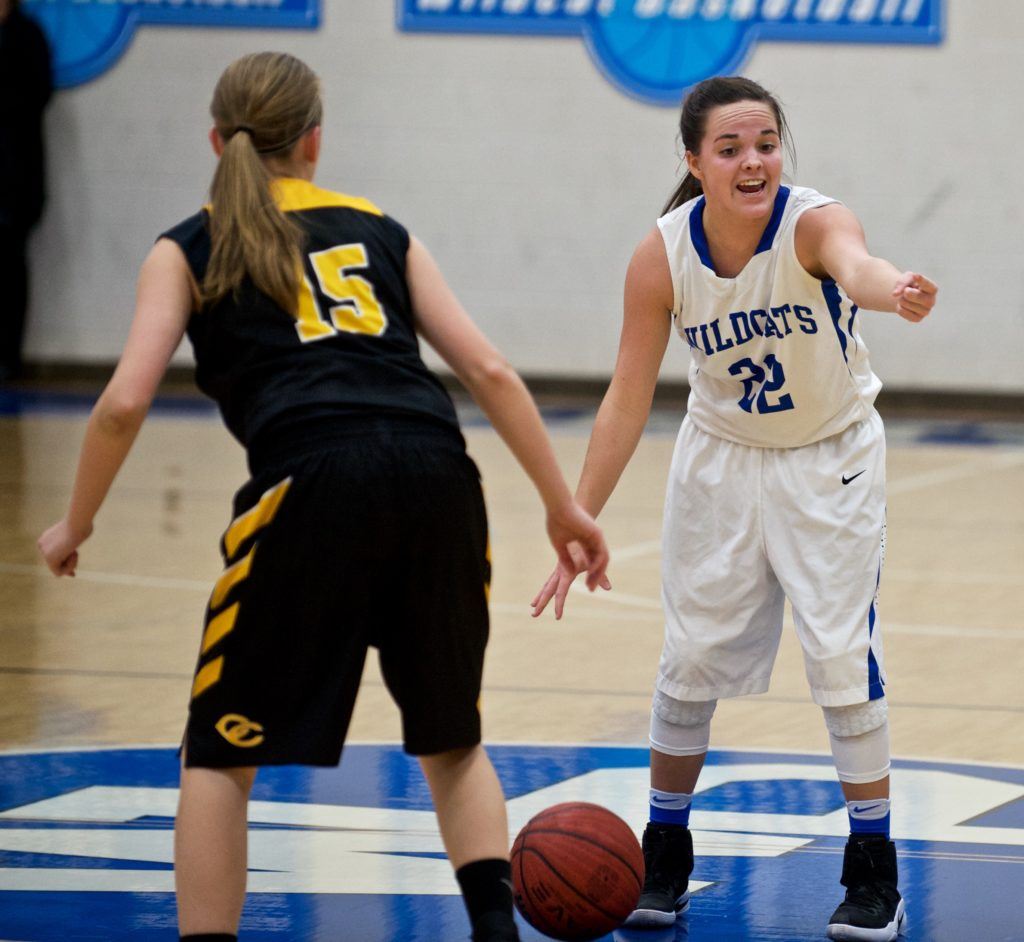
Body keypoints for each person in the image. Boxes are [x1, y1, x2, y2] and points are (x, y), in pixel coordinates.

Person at [37, 51, 610, 942]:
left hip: (310, 483)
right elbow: (490, 370)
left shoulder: (186, 244)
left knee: (219, 753)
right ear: (314, 140)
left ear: (215, 139)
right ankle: (496, 933)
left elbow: (120, 403)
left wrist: (78, 520)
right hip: (437, 472)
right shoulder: (380, 227)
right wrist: (560, 504)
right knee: (451, 739)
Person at [532, 76, 936, 942]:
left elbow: (857, 266)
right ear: (694, 161)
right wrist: (579, 516)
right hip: (720, 462)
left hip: (830, 460)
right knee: (691, 658)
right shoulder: (662, 254)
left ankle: (875, 875)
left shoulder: (814, 221)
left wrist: (892, 286)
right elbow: (626, 398)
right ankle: (665, 856)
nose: (753, 161)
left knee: (839, 658)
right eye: (730, 149)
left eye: (765, 144)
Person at [0, 0, 52, 381]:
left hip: (16, 175)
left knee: (11, 268)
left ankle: (9, 357)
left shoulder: (27, 35)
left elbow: (39, 94)